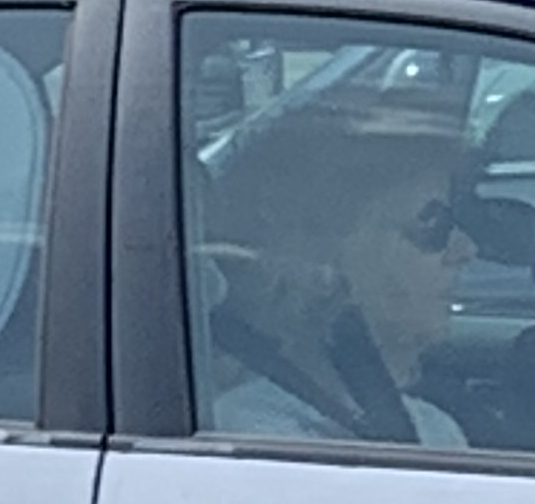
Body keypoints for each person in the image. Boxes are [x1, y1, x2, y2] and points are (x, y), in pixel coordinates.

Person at [194, 103, 475, 447]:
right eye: (432, 224)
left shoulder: (432, 427)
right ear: (325, 254)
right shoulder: (254, 437)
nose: (465, 250)